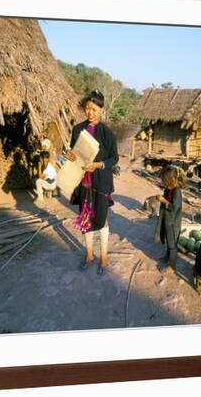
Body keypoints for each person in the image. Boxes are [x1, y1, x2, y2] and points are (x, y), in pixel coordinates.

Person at [66, 90, 119, 276]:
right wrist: (70, 155)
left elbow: (114, 158)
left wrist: (99, 165)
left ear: (101, 110)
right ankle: (89, 255)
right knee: (85, 218)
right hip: (83, 182)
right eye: (87, 108)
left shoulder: (107, 133)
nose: (90, 112)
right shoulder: (77, 129)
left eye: (94, 109)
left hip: (101, 182)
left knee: (102, 218)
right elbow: (74, 154)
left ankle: (104, 257)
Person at [153, 165, 185, 274]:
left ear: (172, 180)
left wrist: (164, 201)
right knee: (168, 241)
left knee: (172, 245)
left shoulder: (177, 191)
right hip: (167, 220)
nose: (164, 184)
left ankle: (172, 266)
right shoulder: (168, 189)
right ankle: (167, 257)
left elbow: (174, 207)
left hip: (173, 222)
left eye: (165, 182)